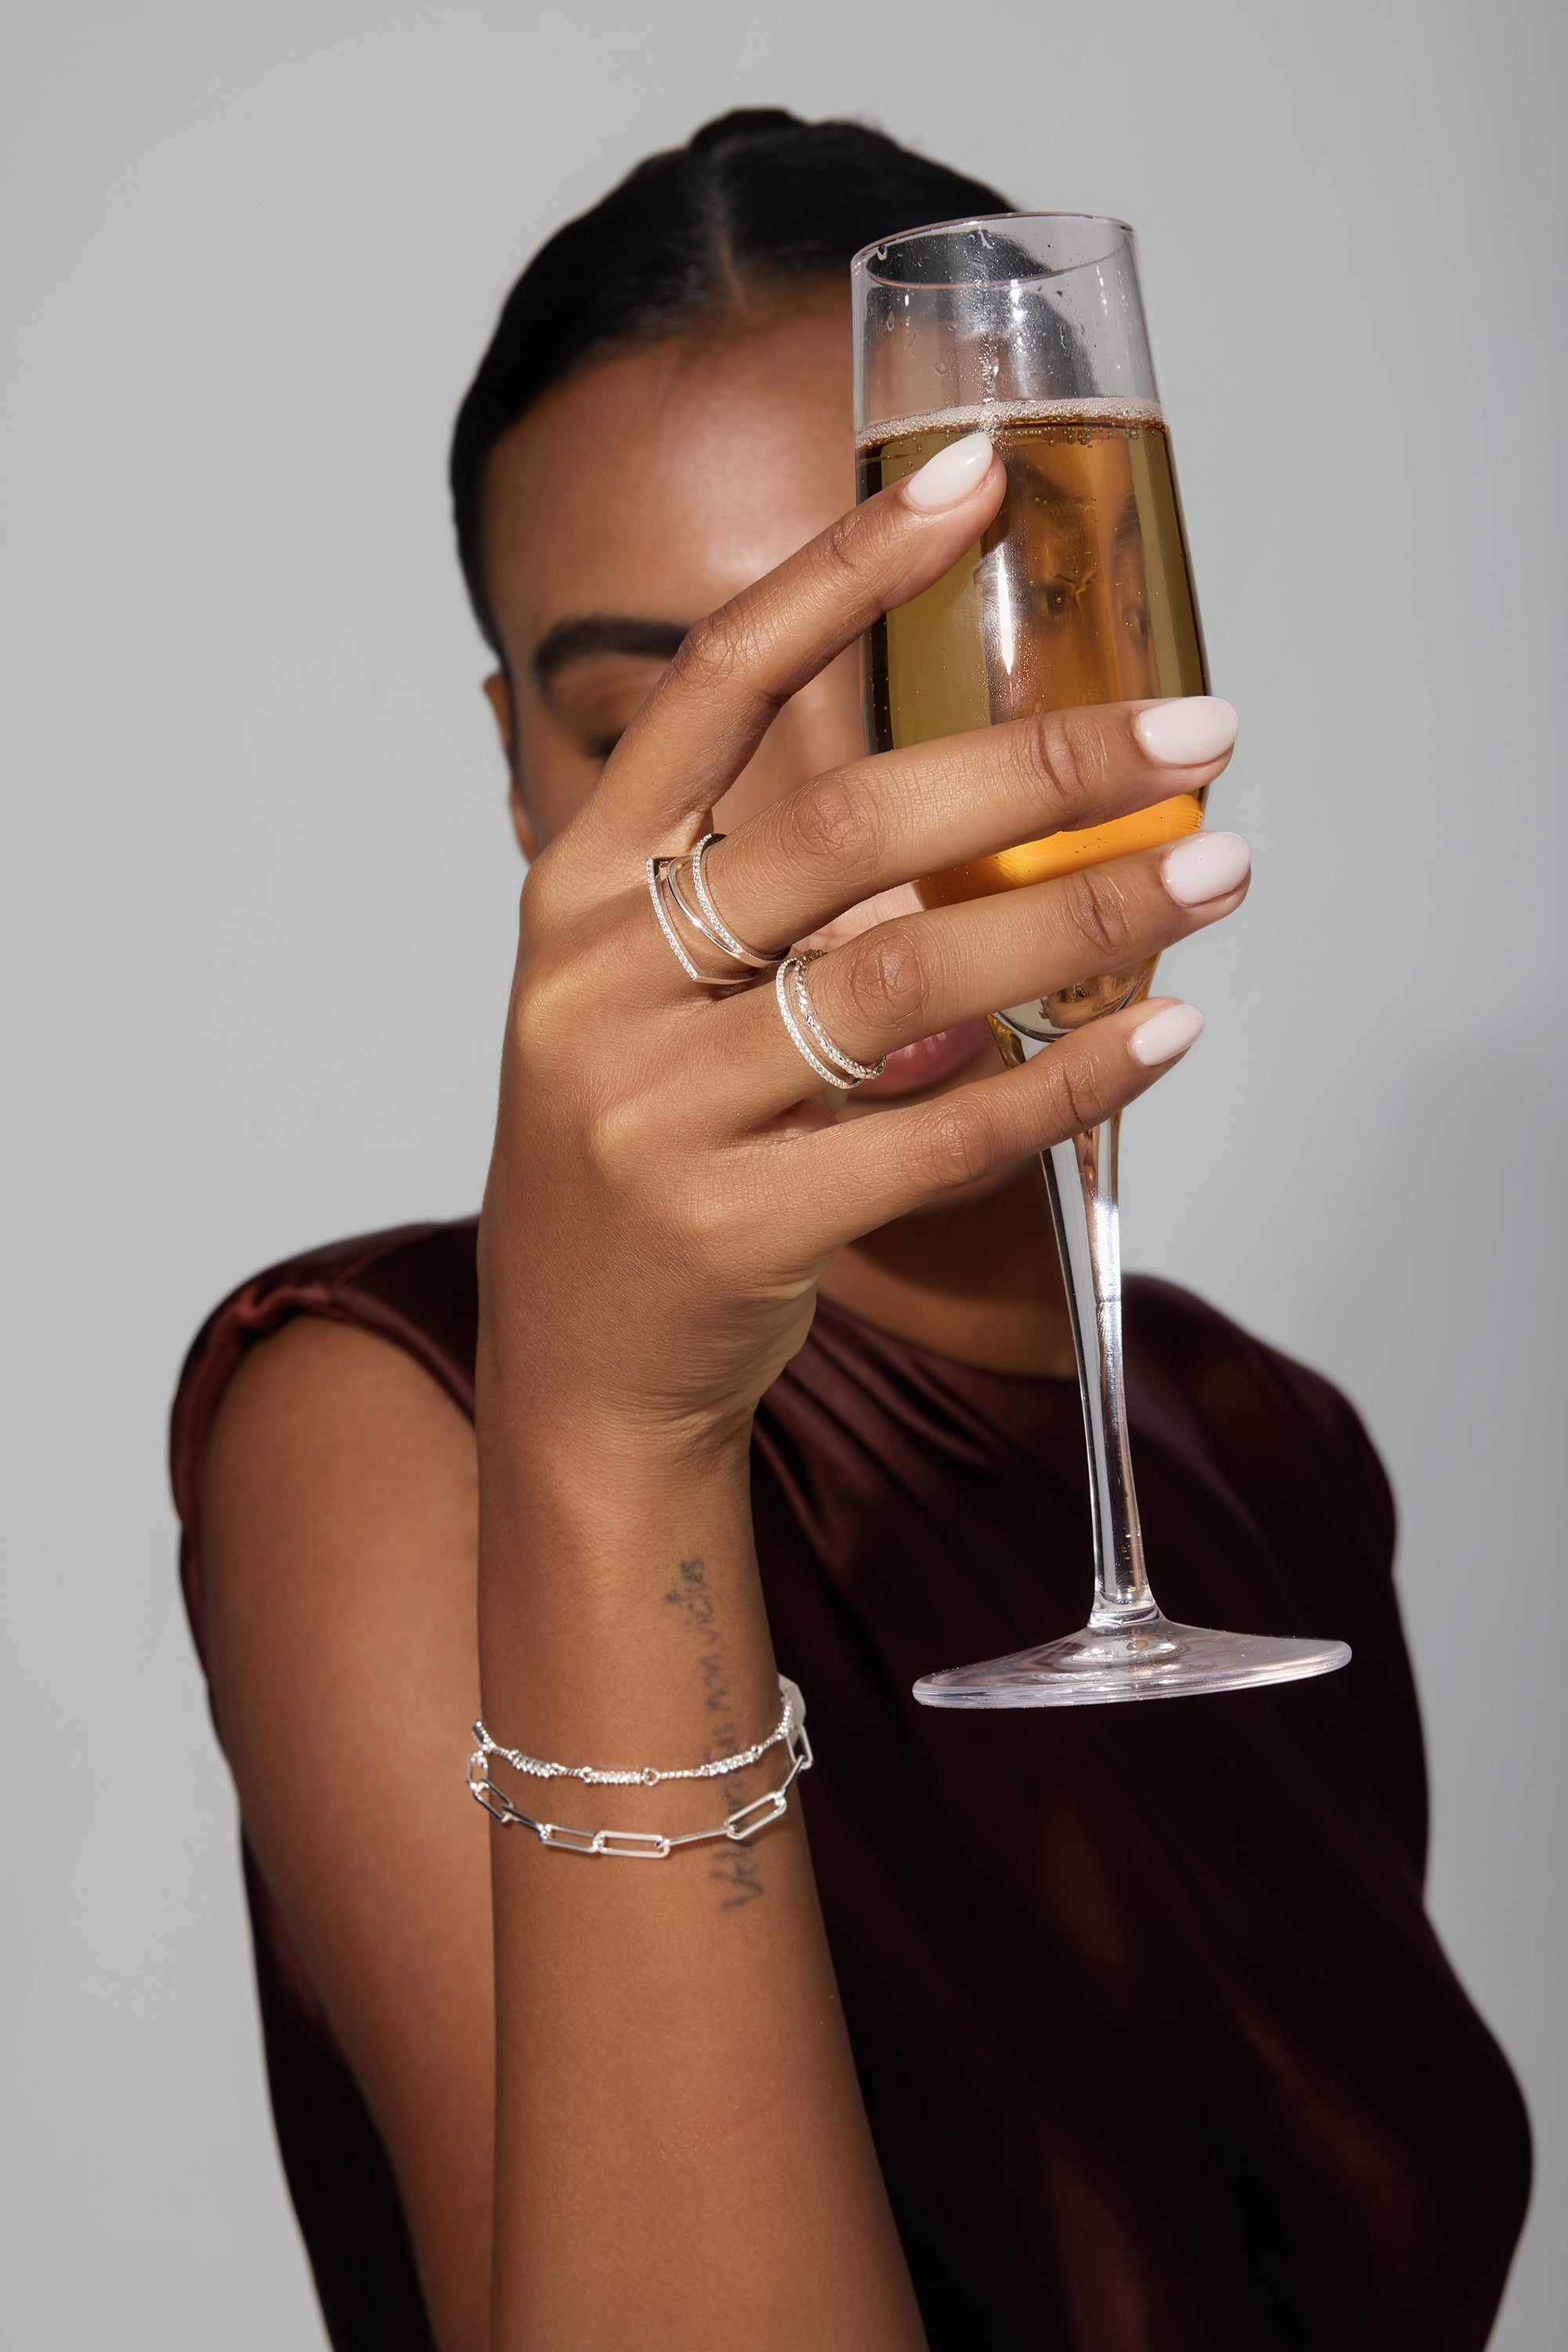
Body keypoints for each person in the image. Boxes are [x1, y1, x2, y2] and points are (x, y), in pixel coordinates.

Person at [172, 109, 1530, 2351]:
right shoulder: (390, 1414)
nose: (837, 829)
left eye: (918, 655)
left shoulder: (1264, 1444)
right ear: (527, 783)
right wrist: (608, 1455)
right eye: (644, 722)